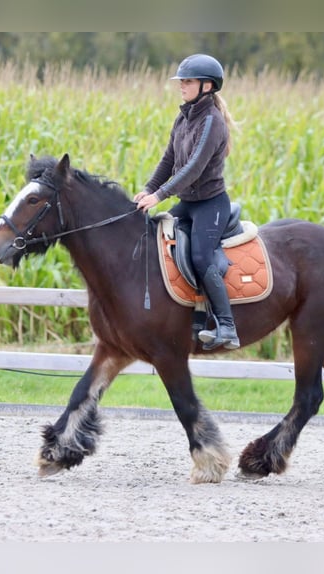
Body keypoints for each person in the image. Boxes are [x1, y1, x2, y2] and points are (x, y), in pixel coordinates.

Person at [134, 53, 240, 351]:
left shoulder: (211, 122)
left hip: (210, 204)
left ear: (207, 86)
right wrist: (148, 189)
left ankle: (227, 327)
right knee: (157, 241)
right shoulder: (184, 117)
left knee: (201, 257)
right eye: (181, 81)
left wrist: (159, 196)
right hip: (188, 202)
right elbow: (169, 159)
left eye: (188, 81)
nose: (181, 86)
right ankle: (190, 315)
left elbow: (192, 168)